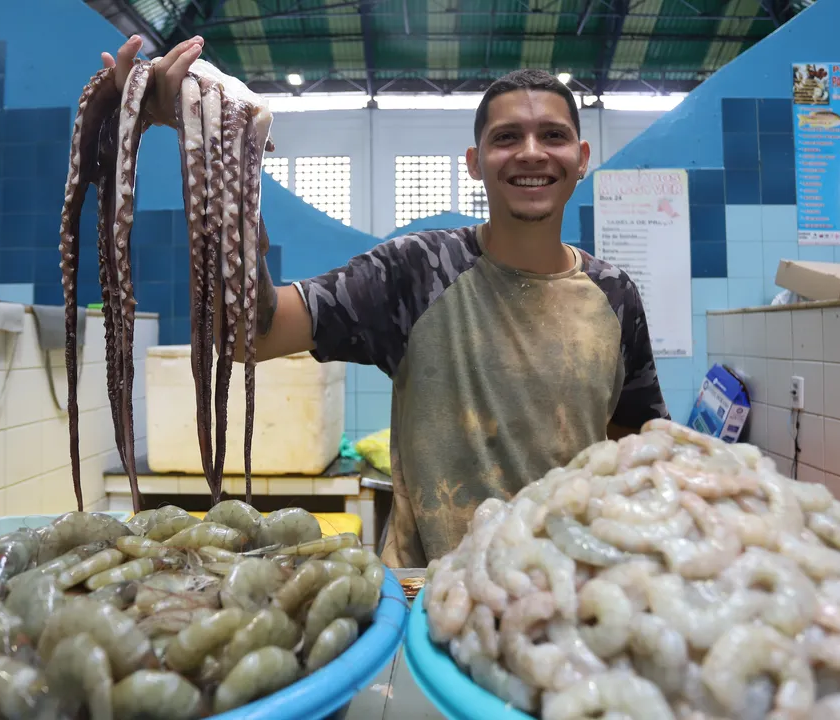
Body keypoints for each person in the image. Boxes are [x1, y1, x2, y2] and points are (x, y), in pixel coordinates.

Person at [101, 35, 670, 568]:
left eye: (552, 135)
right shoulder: (416, 272)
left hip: (570, 595)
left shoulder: (614, 294)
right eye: (505, 138)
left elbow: (640, 450)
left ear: (581, 156)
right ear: (474, 163)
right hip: (432, 595)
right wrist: (214, 152)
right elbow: (254, 333)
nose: (531, 153)